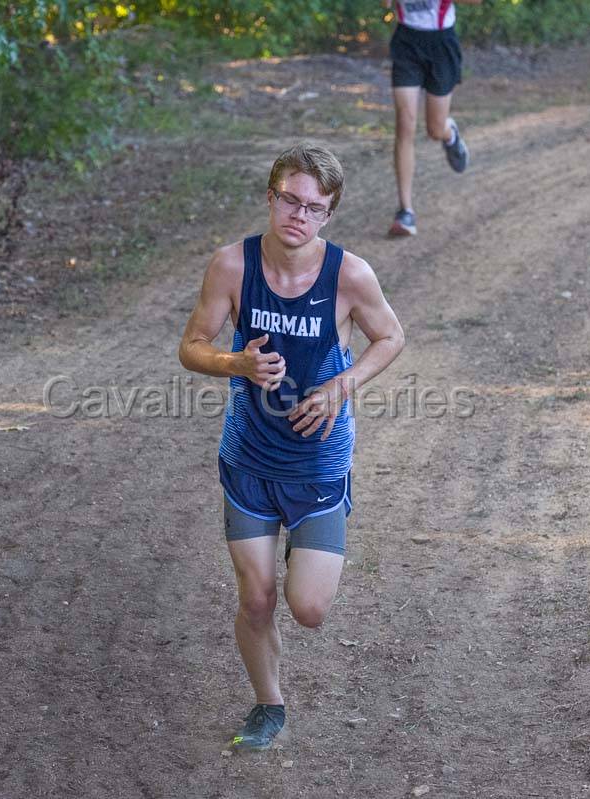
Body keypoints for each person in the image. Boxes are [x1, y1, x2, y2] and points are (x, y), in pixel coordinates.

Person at [178, 142, 405, 751]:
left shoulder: (349, 275)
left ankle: (312, 542)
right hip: (249, 456)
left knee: (307, 608)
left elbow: (391, 336)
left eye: (313, 207)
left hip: (317, 459)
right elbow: (192, 344)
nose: (297, 215)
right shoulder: (232, 266)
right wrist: (235, 363)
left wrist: (341, 385)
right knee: (256, 599)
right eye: (288, 200)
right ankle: (267, 704)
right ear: (270, 197)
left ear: (327, 215)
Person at [385, 0, 481, 237]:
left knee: (435, 129)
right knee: (405, 124)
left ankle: (450, 134)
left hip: (441, 43)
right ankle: (405, 211)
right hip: (407, 42)